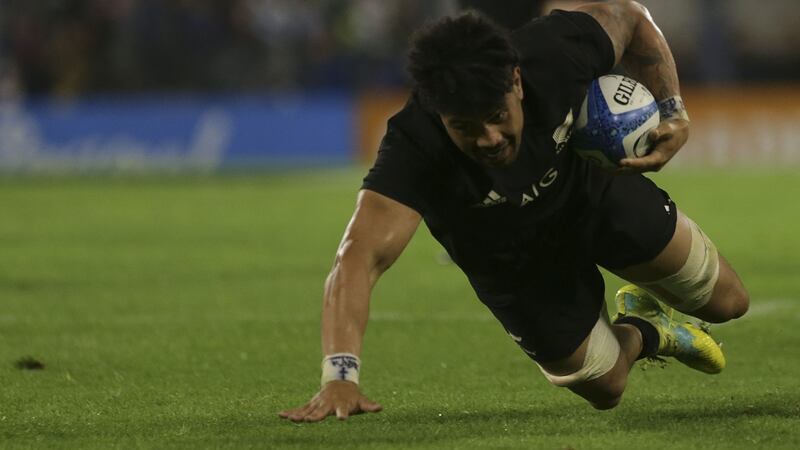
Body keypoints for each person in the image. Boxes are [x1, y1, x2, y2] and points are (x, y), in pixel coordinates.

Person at [279, 0, 749, 422]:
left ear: (518, 82)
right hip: (512, 261)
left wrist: (673, 109)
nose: (488, 138)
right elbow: (357, 258)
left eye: (497, 115)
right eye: (465, 127)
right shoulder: (415, 147)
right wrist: (340, 374)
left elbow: (630, 16)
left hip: (591, 195)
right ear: (440, 115)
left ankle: (648, 302)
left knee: (729, 303)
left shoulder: (553, 53)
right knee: (607, 387)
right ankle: (647, 331)